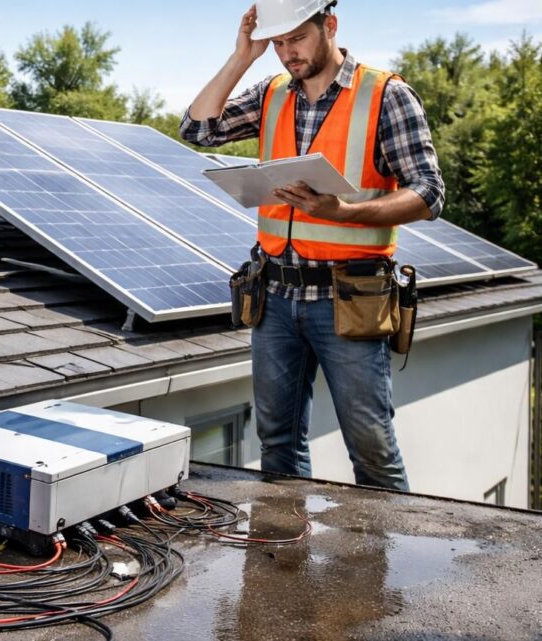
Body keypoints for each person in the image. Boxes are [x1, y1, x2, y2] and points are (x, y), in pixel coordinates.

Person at [180, 0, 444, 490]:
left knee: (371, 449)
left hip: (350, 298)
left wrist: (344, 213)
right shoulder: (272, 92)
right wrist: (244, 57)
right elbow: (197, 129)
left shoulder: (386, 94)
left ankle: (386, 564)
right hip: (276, 298)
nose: (287, 54)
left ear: (330, 26)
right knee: (278, 443)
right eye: (278, 44)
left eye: (296, 39)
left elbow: (429, 193)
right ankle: (287, 557)